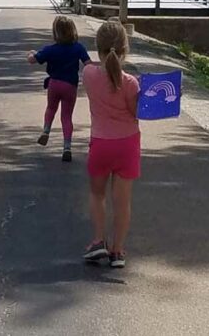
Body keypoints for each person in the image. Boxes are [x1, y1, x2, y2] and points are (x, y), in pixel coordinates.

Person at [81, 21, 140, 269]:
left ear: (98, 48)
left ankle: (98, 241)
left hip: (101, 143)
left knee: (97, 194)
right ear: (125, 48)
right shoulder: (131, 83)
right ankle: (117, 250)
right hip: (127, 145)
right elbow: (136, 113)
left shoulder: (89, 75)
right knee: (122, 202)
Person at [27, 16, 90, 162]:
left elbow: (33, 60)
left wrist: (30, 54)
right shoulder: (78, 48)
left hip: (54, 84)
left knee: (51, 108)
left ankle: (46, 130)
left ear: (55, 33)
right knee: (66, 117)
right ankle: (67, 146)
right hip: (70, 86)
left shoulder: (50, 50)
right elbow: (89, 64)